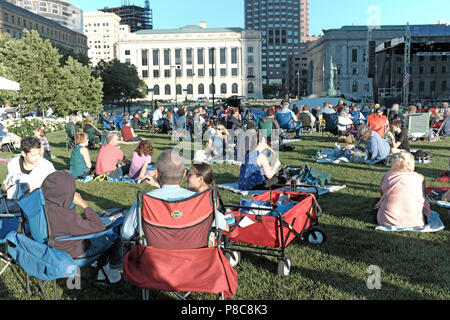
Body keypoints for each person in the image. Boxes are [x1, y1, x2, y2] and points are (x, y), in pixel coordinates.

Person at [121, 150, 228, 240]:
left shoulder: (144, 202)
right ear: (184, 174)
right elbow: (225, 226)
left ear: (157, 173)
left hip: (154, 259)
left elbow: (126, 234)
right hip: (194, 259)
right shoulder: (201, 200)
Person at [42, 171, 123, 283]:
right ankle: (112, 275)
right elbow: (99, 227)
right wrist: (83, 204)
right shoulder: (68, 216)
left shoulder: (42, 208)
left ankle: (104, 268)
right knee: (113, 236)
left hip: (51, 248)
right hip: (74, 255)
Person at [375, 152, 432, 227]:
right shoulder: (419, 177)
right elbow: (422, 196)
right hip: (416, 221)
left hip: (386, 221)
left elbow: (383, 196)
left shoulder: (386, 177)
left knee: (376, 202)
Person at [1, 137, 55, 212]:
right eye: (33, 155)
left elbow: (54, 189)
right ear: (23, 153)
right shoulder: (14, 164)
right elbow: (4, 188)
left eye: (38, 154)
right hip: (12, 206)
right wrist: (10, 182)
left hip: (37, 208)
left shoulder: (46, 166)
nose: (37, 157)